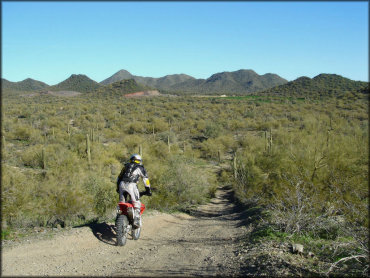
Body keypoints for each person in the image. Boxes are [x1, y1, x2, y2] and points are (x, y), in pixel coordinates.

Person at [116, 154, 152, 228]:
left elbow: (118, 178)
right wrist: (148, 190)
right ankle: (136, 220)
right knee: (136, 203)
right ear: (139, 161)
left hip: (122, 184)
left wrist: (118, 188)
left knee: (121, 203)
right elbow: (146, 180)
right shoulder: (140, 167)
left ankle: (118, 218)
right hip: (131, 185)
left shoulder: (125, 166)